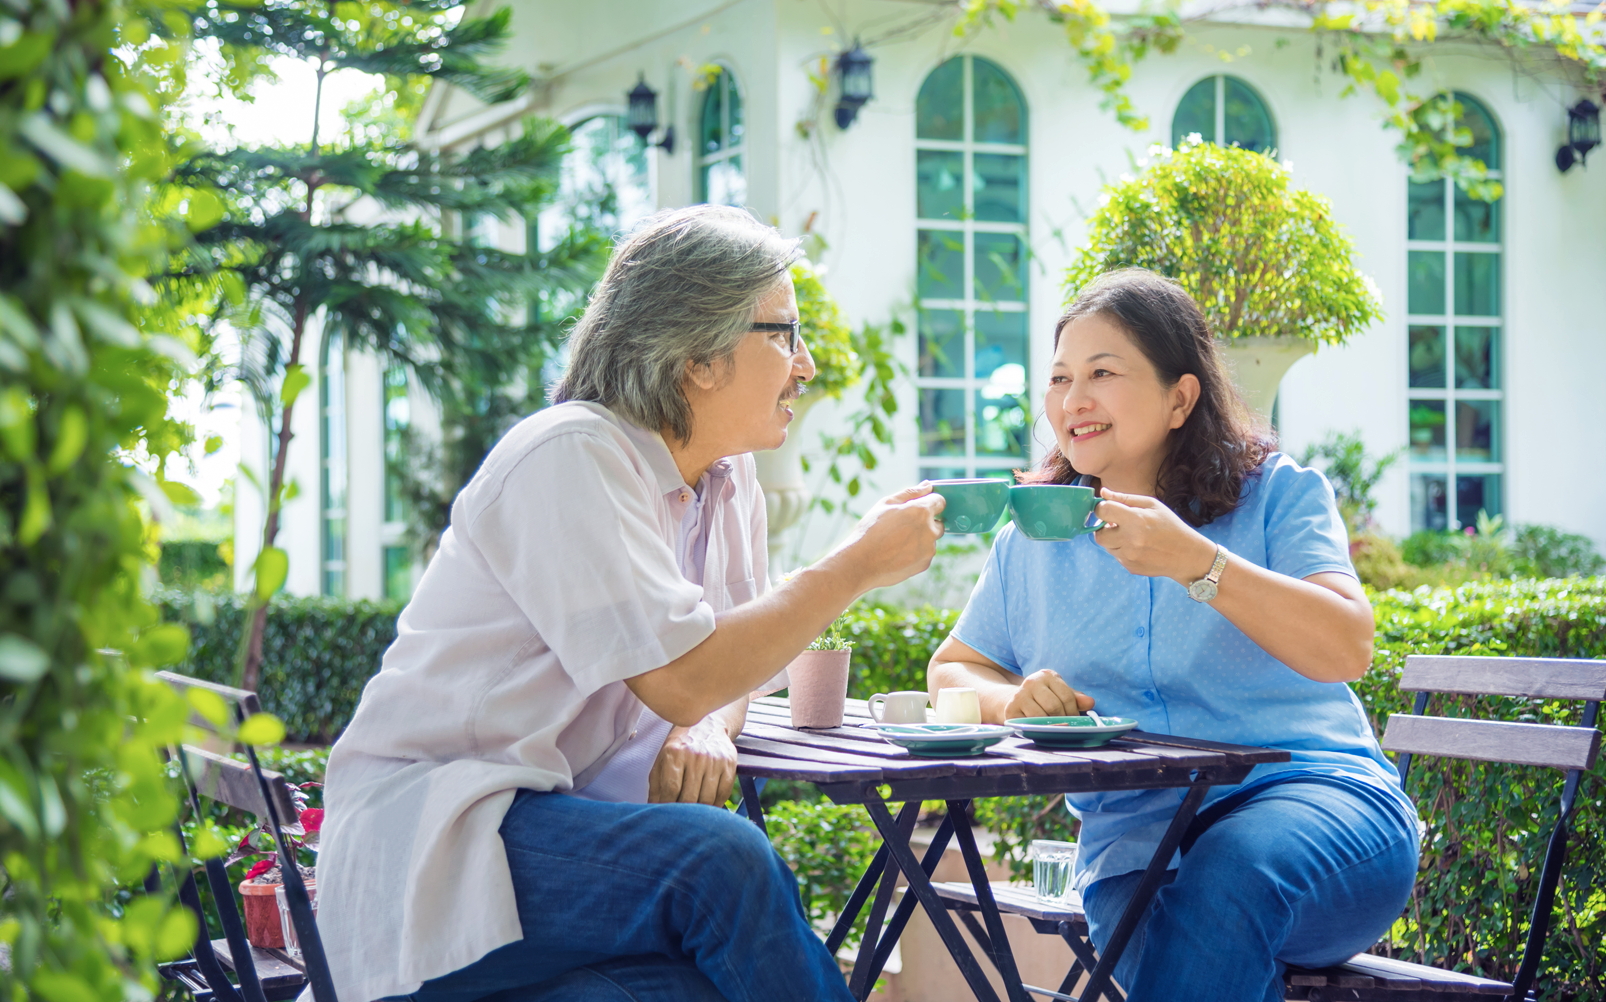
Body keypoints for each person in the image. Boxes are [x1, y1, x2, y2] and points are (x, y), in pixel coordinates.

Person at [315, 205, 945, 1002]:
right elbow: (684, 675)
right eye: (785, 333)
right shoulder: (570, 454)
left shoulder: (725, 475)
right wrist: (854, 565)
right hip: (441, 842)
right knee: (719, 861)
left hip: (546, 857)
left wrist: (707, 722)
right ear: (698, 356)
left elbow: (726, 675)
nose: (806, 363)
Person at [928, 268, 1420, 1002]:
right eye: (1060, 378)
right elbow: (953, 671)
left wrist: (1200, 562)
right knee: (1185, 939)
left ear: (1180, 397)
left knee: (1231, 874)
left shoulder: (1277, 496)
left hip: (1320, 809)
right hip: (1137, 852)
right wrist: (1011, 703)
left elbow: (1346, 645)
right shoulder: (1035, 536)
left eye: (1102, 373)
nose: (1072, 400)